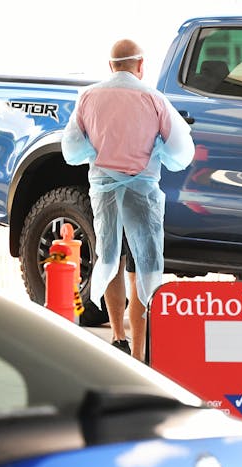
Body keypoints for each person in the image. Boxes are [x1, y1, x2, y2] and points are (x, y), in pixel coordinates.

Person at [61, 39, 195, 360]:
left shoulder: (89, 97)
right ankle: (138, 351)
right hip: (142, 194)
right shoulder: (153, 99)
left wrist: (99, 152)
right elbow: (181, 151)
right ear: (141, 65)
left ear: (111, 66)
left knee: (111, 259)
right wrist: (155, 152)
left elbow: (71, 149)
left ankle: (118, 336)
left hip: (104, 192)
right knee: (142, 267)